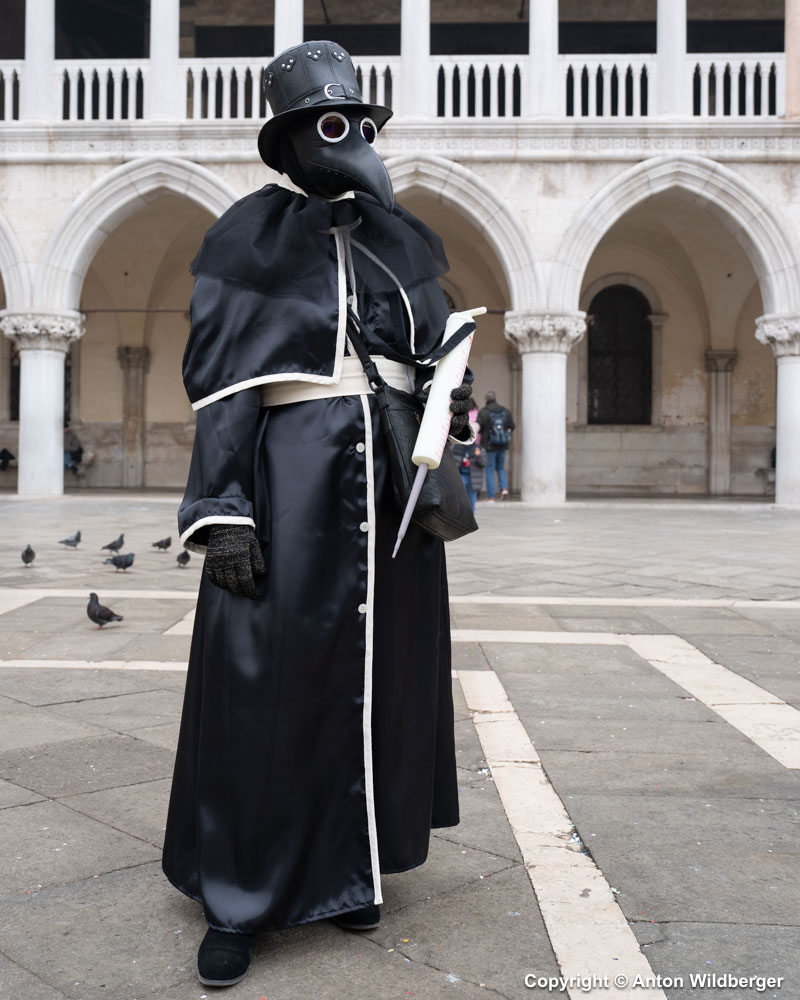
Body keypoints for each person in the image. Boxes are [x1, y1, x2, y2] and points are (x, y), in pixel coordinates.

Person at [161, 40, 476, 989]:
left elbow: (428, 363)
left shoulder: (401, 239)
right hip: (288, 479)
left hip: (389, 486)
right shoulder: (245, 238)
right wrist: (223, 511)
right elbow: (225, 389)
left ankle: (351, 871)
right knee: (266, 684)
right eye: (324, 125)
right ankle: (239, 896)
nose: (342, 140)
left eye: (356, 124)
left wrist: (448, 399)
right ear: (290, 138)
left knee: (384, 678)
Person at [477, 390, 515, 501]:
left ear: (486, 400)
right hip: (502, 445)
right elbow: (512, 426)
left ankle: (491, 496)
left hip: (488, 446)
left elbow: (479, 428)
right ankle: (504, 489)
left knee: (489, 469)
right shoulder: (506, 411)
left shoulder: (483, 412)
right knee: (500, 467)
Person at [451, 422, 486, 513]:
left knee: (472, 498)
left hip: (473, 478)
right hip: (461, 475)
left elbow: (484, 463)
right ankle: (462, 514)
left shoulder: (479, 448)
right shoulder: (457, 446)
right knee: (461, 496)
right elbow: (452, 461)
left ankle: (471, 515)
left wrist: (478, 456)